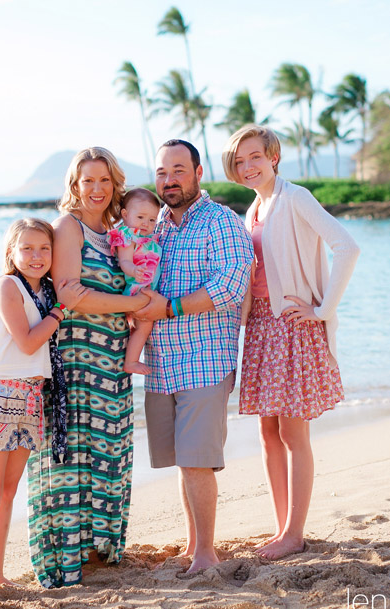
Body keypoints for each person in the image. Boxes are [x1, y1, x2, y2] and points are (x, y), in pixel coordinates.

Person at [222, 124, 360, 560]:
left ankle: (294, 533)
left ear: (273, 157)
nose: (248, 167)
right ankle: (282, 528)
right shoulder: (254, 209)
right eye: (239, 161)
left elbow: (347, 246)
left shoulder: (295, 197)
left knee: (292, 431)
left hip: (291, 326)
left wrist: (322, 310)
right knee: (267, 432)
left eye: (255, 158)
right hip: (261, 327)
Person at [27, 147, 150, 588]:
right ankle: (68, 553)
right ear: (74, 186)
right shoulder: (68, 227)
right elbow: (70, 293)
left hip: (113, 361)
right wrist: (133, 302)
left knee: (108, 446)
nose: (96, 189)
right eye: (87, 181)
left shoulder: (118, 232)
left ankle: (101, 547)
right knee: (72, 450)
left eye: (104, 181)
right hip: (76, 360)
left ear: (115, 184)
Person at [135, 139, 254, 574]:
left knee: (198, 460)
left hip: (205, 360)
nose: (169, 180)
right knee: (183, 463)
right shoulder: (155, 225)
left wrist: (170, 307)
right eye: (162, 172)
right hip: (161, 363)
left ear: (198, 173)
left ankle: (207, 552)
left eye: (178, 170)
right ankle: (192, 543)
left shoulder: (221, 221)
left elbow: (230, 286)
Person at [0, 217, 87, 609]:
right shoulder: (7, 287)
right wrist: (60, 313)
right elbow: (27, 341)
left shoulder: (46, 291)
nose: (37, 257)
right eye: (28, 249)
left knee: (8, 491)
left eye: (44, 249)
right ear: (11, 253)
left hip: (31, 396)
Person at [107, 187, 163, 375]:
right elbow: (124, 261)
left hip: (145, 288)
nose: (146, 223)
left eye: (152, 219)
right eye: (141, 217)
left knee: (140, 327)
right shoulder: (127, 236)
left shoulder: (147, 238)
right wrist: (134, 271)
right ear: (125, 214)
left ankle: (130, 356)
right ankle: (131, 362)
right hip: (135, 288)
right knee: (144, 326)